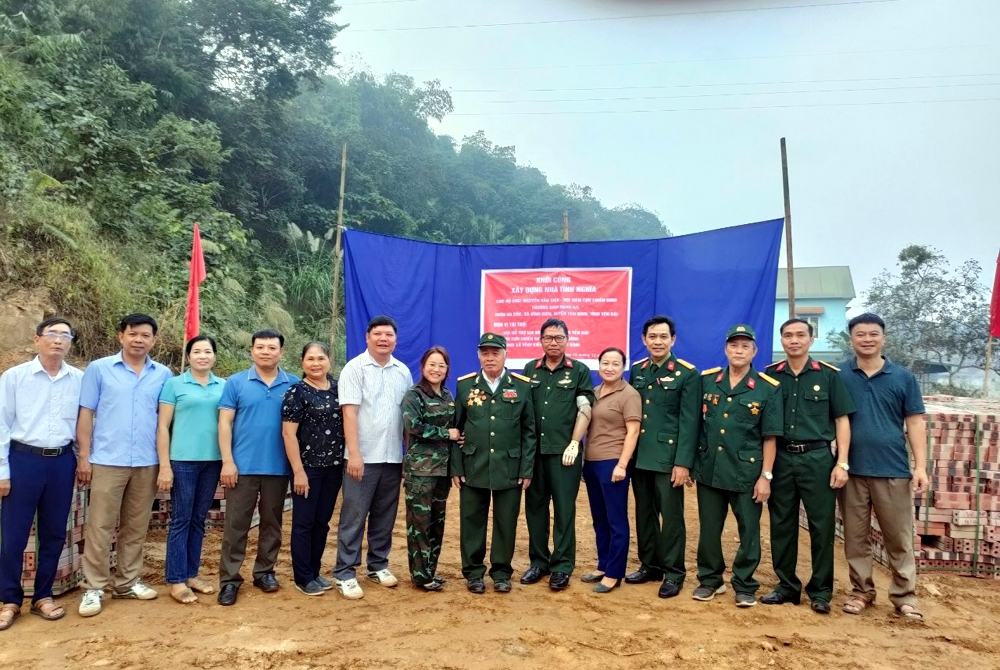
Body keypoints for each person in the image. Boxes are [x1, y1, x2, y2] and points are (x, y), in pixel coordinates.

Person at [76, 314, 173, 617]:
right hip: (107, 460)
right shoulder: (99, 369)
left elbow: (165, 420)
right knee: (100, 526)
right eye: (133, 334)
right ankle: (94, 587)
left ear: (154, 340)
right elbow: (86, 413)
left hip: (147, 461)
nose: (138, 340)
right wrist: (84, 456)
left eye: (145, 335)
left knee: (136, 525)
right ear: (121, 336)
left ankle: (127, 582)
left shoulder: (164, 374)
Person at [761, 319, 855, 614]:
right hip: (782, 458)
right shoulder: (771, 376)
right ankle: (786, 586)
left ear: (811, 340)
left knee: (821, 526)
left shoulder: (827, 376)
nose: (794, 340)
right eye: (788, 335)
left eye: (801, 335)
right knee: (782, 524)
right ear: (782, 340)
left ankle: (821, 591)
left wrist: (842, 462)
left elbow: (842, 419)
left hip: (817, 459)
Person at [837, 313, 927, 620]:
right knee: (855, 537)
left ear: (883, 338)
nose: (866, 339)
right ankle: (861, 590)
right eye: (860, 334)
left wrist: (920, 466)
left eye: (873, 334)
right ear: (851, 339)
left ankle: (904, 596)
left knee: (898, 537)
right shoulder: (840, 376)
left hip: (893, 470)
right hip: (851, 471)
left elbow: (915, 422)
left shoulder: (903, 378)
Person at [0, 318, 83, 630]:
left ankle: (43, 596)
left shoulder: (78, 379)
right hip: (23, 460)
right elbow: (1, 425)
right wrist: (2, 472)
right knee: (13, 534)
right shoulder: (15, 377)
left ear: (71, 342)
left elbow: (84, 424)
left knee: (53, 532)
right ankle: (9, 599)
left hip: (62, 461)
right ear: (37, 340)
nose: (58, 340)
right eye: (52, 334)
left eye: (65, 335)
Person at [691, 324, 781, 608]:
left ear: (754, 351)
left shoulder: (767, 388)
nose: (738, 351)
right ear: (726, 349)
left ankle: (744, 584)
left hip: (746, 473)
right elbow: (697, 426)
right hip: (710, 469)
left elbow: (770, 438)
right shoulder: (708, 381)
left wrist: (765, 476)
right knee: (709, 530)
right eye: (733, 345)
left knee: (749, 532)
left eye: (745, 346)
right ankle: (710, 580)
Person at [216, 329, 299, 606]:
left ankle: (265, 572)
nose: (266, 352)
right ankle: (229, 580)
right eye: (260, 347)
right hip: (242, 468)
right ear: (252, 350)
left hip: (278, 467)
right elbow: (225, 423)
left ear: (281, 352)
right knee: (235, 526)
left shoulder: (294, 385)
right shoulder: (236, 383)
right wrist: (227, 461)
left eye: (272, 347)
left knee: (272, 524)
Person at [333, 315, 413, 600]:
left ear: (395, 339)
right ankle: (345, 572)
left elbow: (407, 418)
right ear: (367, 337)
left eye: (389, 334)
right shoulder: (354, 369)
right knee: (354, 516)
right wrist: (354, 454)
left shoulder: (403, 371)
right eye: (377, 334)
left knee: (385, 515)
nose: (383, 339)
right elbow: (349, 413)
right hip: (362, 458)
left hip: (392, 457)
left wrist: (406, 454)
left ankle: (378, 564)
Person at [453, 333, 535, 594]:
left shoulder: (521, 386)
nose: (490, 358)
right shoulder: (465, 386)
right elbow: (455, 429)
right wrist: (456, 466)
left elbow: (528, 431)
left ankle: (501, 572)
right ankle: (474, 572)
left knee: (506, 521)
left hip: (508, 467)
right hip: (473, 465)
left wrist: (526, 469)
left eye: (495, 352)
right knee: (471, 520)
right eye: (485, 353)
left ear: (505, 354)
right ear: (478, 355)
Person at [626, 315, 700, 599]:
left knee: (671, 518)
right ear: (644, 340)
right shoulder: (638, 370)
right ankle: (650, 565)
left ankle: (674, 572)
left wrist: (683, 462)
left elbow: (690, 422)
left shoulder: (686, 373)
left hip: (669, 459)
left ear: (673, 340)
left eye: (663, 336)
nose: (658, 341)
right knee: (644, 515)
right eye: (652, 336)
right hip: (640, 456)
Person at [521, 319, 594, 591]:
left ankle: (562, 566)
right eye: (549, 337)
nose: (554, 342)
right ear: (540, 340)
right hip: (534, 454)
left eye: (559, 337)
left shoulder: (579, 371)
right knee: (535, 509)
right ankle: (538, 562)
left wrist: (575, 443)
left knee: (564, 510)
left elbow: (585, 407)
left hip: (565, 455)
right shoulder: (531, 369)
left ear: (567, 340)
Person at [155, 335, 225, 605]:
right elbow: (162, 427)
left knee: (199, 519)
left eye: (208, 351)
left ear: (214, 356)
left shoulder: (223, 386)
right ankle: (175, 579)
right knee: (181, 519)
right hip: (183, 461)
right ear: (189, 356)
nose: (203, 356)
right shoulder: (174, 385)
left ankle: (191, 574)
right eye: (197, 351)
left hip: (213, 461)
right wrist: (164, 465)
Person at [281, 342, 345, 596]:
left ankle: (315, 572)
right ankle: (303, 576)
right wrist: (298, 471)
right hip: (307, 469)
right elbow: (288, 434)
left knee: (322, 522)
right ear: (302, 362)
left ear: (330, 360)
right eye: (310, 359)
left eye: (320, 358)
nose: (315, 363)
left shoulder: (340, 388)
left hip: (334, 468)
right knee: (304, 523)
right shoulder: (296, 392)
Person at [580, 347, 641, 593]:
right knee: (599, 517)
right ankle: (603, 564)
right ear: (599, 365)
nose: (609, 367)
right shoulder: (594, 393)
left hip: (613, 463)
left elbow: (633, 431)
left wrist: (622, 465)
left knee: (616, 520)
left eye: (615, 364)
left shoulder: (629, 394)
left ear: (623, 367)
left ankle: (614, 573)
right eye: (605, 362)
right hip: (592, 463)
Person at [400, 347, 461, 591]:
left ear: (447, 369)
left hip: (442, 471)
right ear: (423, 366)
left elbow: (454, 429)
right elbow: (414, 427)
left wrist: (458, 437)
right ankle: (420, 576)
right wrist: (447, 434)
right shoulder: (414, 395)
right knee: (419, 525)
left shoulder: (446, 394)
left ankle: (430, 571)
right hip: (420, 471)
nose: (436, 369)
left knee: (437, 523)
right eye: (431, 364)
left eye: (441, 365)